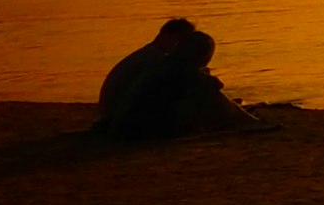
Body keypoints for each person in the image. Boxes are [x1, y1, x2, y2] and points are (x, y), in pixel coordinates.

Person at [95, 17, 258, 139]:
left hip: (119, 120)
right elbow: (208, 91)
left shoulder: (159, 61)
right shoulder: (161, 64)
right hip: (126, 122)